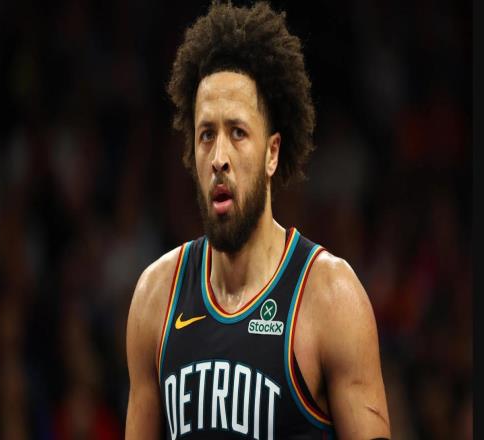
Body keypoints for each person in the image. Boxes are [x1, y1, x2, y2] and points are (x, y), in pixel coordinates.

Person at [125, 2, 391, 439]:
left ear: (272, 153)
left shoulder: (331, 299)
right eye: (206, 135)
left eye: (238, 133)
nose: (219, 157)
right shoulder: (155, 298)